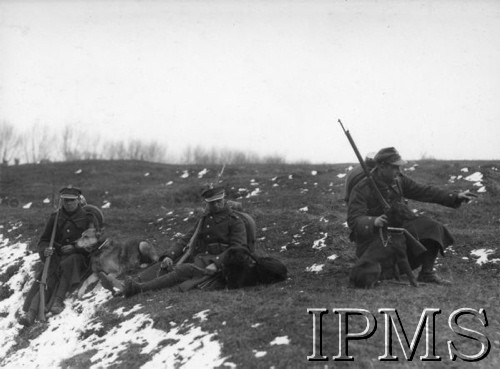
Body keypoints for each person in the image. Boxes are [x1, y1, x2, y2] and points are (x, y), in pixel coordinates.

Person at [347, 147, 476, 285]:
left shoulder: (398, 180)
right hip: (375, 242)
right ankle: (382, 272)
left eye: (400, 167)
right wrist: (373, 221)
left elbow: (424, 191)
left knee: (433, 228)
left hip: (398, 233)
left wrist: (455, 196)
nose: (399, 171)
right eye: (395, 167)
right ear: (382, 167)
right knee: (380, 271)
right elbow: (354, 220)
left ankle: (427, 273)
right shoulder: (361, 188)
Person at [100, 185, 248, 297]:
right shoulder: (205, 219)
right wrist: (170, 255)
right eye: (212, 203)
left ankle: (138, 289)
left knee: (180, 271)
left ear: (224, 200)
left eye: (219, 202)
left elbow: (238, 249)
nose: (215, 205)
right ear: (206, 204)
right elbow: (186, 239)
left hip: (215, 262)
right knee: (163, 264)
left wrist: (217, 263)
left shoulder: (235, 221)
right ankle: (129, 283)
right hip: (199, 256)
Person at [18, 186, 97, 326]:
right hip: (57, 255)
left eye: (72, 201)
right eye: (65, 201)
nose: (68, 204)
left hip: (80, 257)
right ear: (62, 201)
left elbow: (94, 240)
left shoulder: (87, 217)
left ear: (78, 200)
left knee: (68, 263)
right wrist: (45, 250)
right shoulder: (55, 217)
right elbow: (44, 240)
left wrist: (75, 247)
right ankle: (31, 313)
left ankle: (58, 301)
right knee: (47, 277)